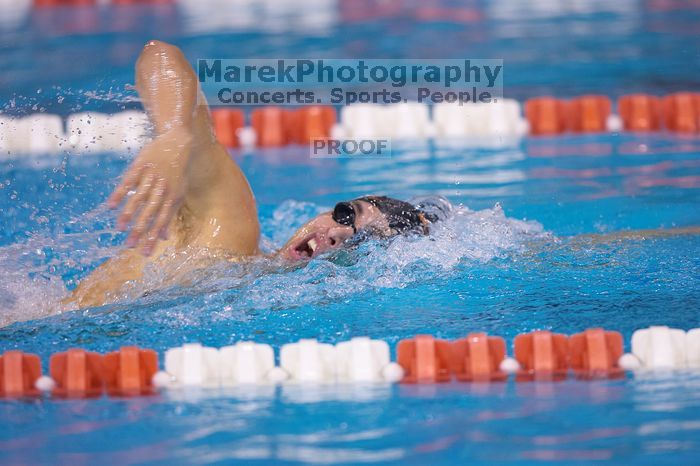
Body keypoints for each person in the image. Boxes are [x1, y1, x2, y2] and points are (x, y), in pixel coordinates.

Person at [66, 40, 444, 308]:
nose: (339, 234)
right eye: (347, 215)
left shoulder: (260, 295)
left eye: (361, 243)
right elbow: (159, 55)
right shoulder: (229, 235)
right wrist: (175, 134)